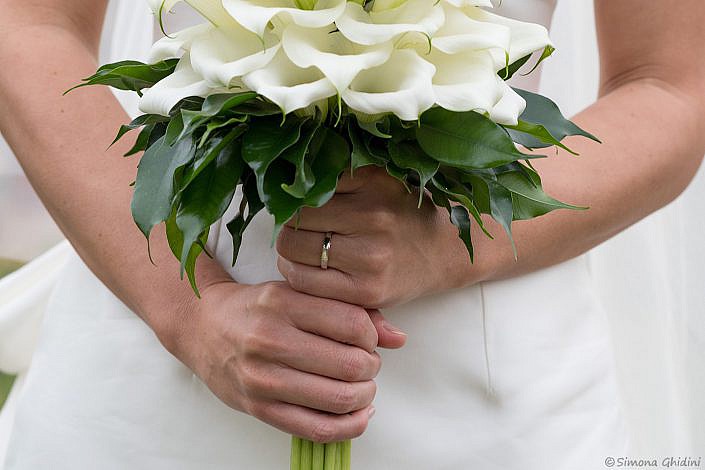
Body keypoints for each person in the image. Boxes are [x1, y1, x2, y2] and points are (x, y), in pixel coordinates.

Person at [1, 0, 704, 468]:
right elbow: (28, 26)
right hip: (153, 332)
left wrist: (452, 242)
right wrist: (187, 313)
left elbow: (672, 85)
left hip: (487, 383)